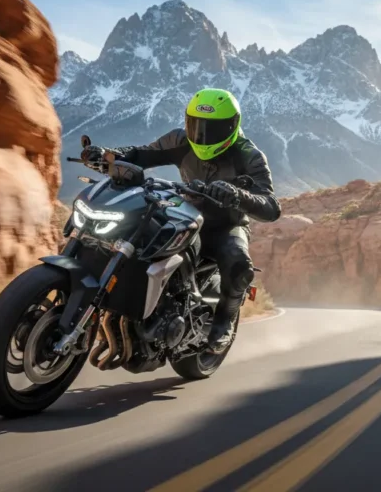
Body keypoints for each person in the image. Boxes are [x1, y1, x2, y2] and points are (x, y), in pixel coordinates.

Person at [80, 88, 281, 350]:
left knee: (239, 264)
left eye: (213, 129)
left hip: (226, 225)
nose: (202, 135)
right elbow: (141, 153)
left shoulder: (249, 155)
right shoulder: (180, 139)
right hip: (185, 212)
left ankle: (224, 321)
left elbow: (270, 206)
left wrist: (237, 195)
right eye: (196, 126)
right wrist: (108, 155)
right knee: (133, 235)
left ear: (232, 126)